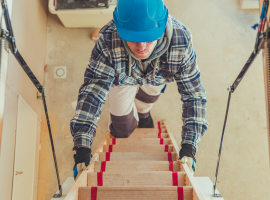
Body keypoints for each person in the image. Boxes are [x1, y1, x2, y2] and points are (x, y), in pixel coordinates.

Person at [71, 0, 209, 180]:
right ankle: (134, 119)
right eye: (134, 38)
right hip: (122, 80)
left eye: (150, 37)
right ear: (119, 27)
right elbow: (92, 92)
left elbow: (194, 95)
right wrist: (82, 146)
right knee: (121, 129)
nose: (142, 46)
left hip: (158, 76)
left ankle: (143, 115)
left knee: (146, 101)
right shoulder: (107, 39)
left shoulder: (180, 39)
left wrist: (190, 145)